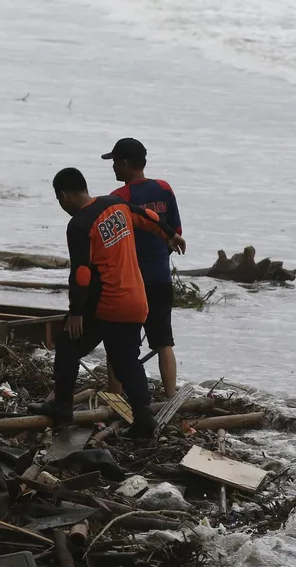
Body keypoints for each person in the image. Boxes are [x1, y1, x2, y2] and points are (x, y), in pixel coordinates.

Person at [30, 168, 185, 438]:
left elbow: (81, 274)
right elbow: (147, 217)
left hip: (106, 303)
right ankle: (144, 419)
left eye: (59, 199)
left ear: (64, 195)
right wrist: (170, 234)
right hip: (136, 301)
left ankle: (62, 406)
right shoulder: (114, 204)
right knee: (127, 361)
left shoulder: (79, 224)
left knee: (67, 344)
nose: (61, 205)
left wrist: (76, 313)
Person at [101, 138, 183, 399]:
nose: (113, 167)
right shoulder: (164, 188)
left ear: (125, 163)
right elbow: (175, 233)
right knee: (164, 342)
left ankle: (115, 399)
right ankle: (170, 397)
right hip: (160, 277)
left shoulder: (118, 198)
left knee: (119, 344)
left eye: (114, 162)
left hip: (130, 283)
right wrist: (158, 255)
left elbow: (112, 244)